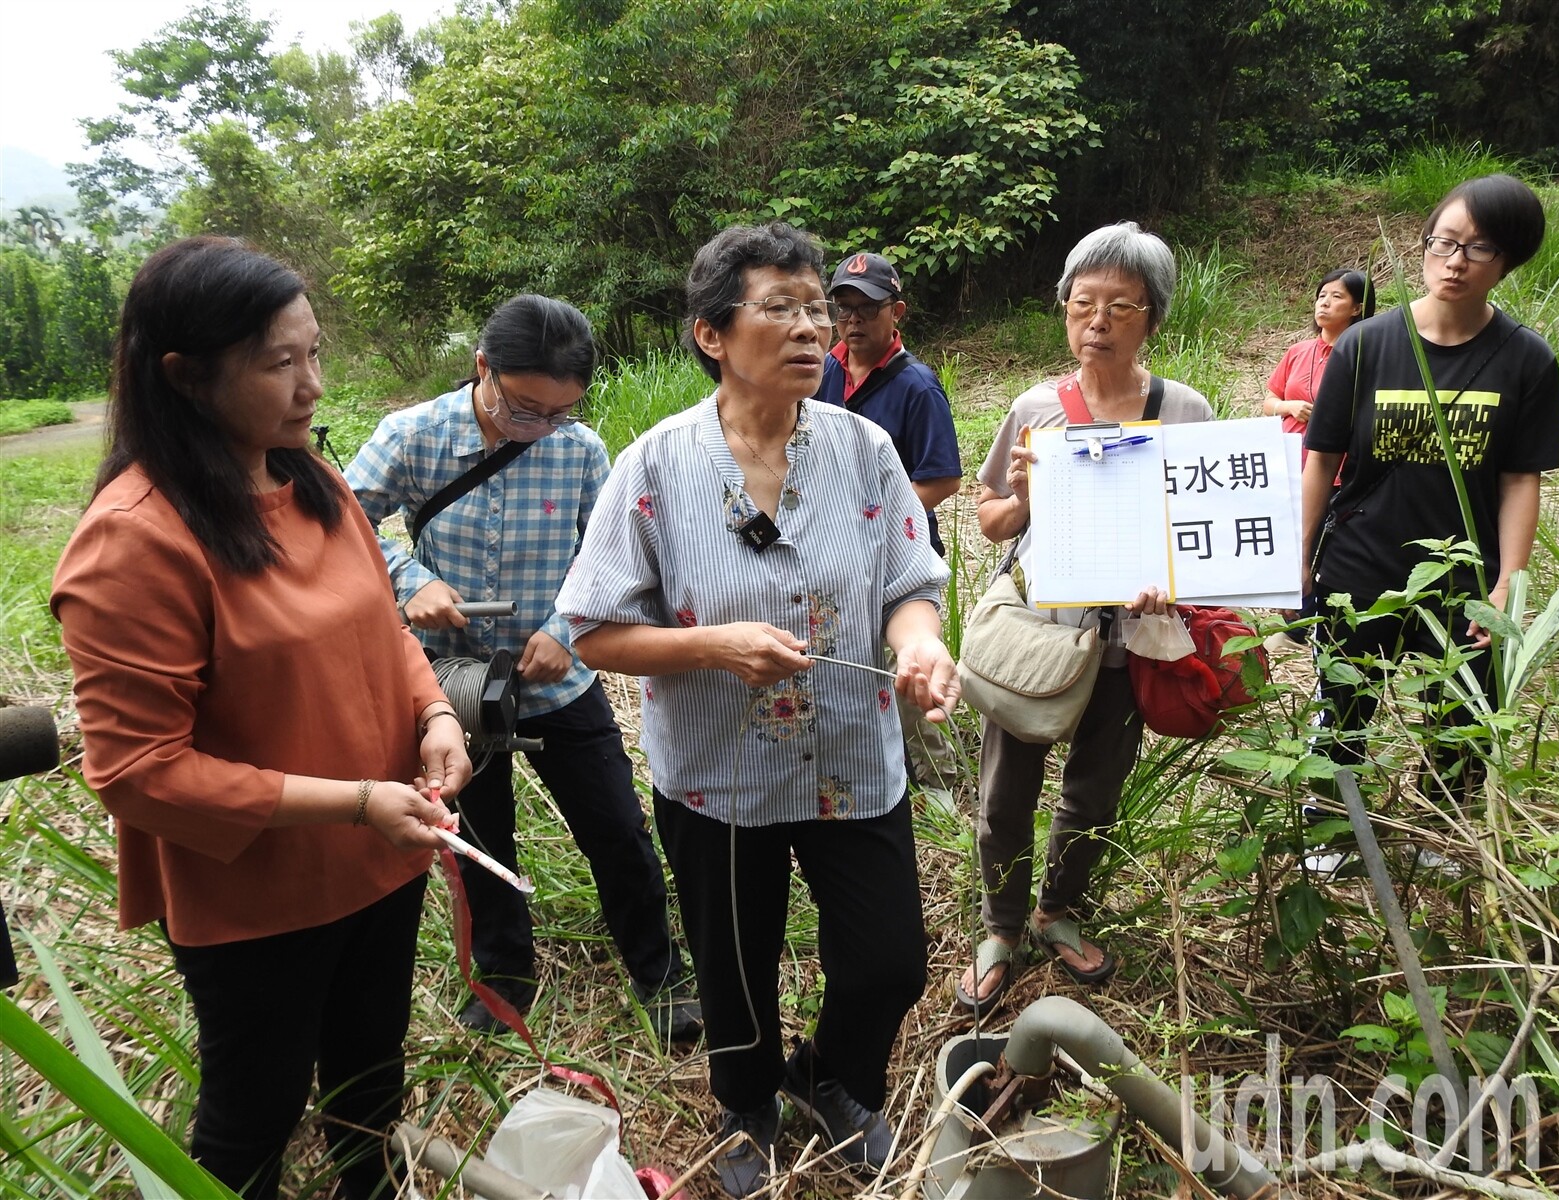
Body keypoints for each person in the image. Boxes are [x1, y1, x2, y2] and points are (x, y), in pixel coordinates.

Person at [51, 236, 471, 1200]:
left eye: (315, 352)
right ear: (185, 376)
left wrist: (434, 712)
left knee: (371, 1082)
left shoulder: (313, 485)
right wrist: (355, 799)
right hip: (258, 900)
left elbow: (384, 627)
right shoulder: (135, 541)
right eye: (280, 363)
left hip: (382, 857)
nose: (312, 385)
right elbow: (135, 771)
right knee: (254, 1117)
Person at [555, 222, 958, 1198]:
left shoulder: (864, 450)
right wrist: (708, 645)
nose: (810, 327)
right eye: (778, 307)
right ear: (711, 333)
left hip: (850, 761)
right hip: (717, 777)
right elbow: (593, 632)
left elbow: (911, 580)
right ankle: (747, 1104)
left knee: (888, 964)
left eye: (817, 307)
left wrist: (919, 644)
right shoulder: (652, 469)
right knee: (735, 974)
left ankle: (832, 1075)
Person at [344, 295, 699, 1041]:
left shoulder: (581, 452)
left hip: (557, 682)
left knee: (616, 827)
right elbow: (339, 523)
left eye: (557, 412)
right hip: (455, 688)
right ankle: (503, 976)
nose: (539, 427)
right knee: (478, 832)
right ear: (483, 368)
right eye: (524, 407)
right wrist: (412, 584)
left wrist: (566, 631)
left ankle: (659, 973)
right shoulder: (412, 436)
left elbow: (608, 559)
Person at [955, 221, 1214, 1017]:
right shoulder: (1037, 407)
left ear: (1154, 318)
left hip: (1129, 642)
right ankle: (1001, 926)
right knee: (1005, 795)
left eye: (1121, 306)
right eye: (1082, 302)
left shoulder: (1186, 411)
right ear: (1064, 309)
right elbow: (993, 520)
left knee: (1095, 793)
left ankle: (1057, 911)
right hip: (1040, 634)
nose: (1097, 320)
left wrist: (1171, 583)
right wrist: (1028, 491)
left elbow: (1201, 533)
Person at [1300, 174, 1559, 872]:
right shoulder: (1364, 346)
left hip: (1464, 571)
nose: (1455, 261)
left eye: (1478, 248)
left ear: (1507, 262)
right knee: (1345, 698)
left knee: (1463, 713)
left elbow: (1518, 478)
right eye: (1444, 242)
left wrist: (1509, 579)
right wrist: (1301, 557)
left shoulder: (1526, 359)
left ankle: (1442, 839)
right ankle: (1330, 830)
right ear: (1424, 246)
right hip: (1360, 557)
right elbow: (1321, 460)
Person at [818, 251, 963, 796]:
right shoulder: (823, 370)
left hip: (897, 553)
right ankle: (865, 763)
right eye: (844, 308)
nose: (853, 321)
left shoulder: (916, 387)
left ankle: (937, 778)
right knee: (852, 664)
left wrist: (873, 515)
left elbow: (943, 477)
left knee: (910, 668)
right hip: (832, 552)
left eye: (867, 309)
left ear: (896, 311)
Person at [1264, 268, 1375, 443]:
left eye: (1336, 296)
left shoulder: (1365, 356)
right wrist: (1289, 406)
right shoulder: (1297, 351)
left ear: (1357, 308)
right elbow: (1269, 403)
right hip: (1288, 456)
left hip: (1335, 458)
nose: (1324, 303)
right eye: (1322, 296)